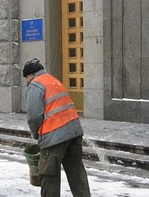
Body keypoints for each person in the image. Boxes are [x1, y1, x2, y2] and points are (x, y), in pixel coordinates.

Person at [23, 58, 91, 197]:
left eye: (26, 77)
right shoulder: (53, 80)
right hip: (74, 133)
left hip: (54, 137)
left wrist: (35, 134)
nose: (26, 81)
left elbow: (34, 116)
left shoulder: (36, 85)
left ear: (32, 74)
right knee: (76, 174)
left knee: (49, 177)